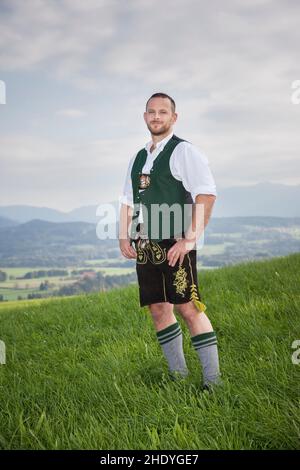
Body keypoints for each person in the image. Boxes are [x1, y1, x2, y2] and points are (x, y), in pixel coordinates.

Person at [119, 92, 221, 390]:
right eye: (151, 111)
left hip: (175, 243)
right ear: (144, 116)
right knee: (158, 308)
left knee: (188, 308)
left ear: (173, 117)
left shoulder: (184, 152)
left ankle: (213, 385)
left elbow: (207, 194)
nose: (156, 116)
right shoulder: (138, 156)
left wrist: (189, 240)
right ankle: (178, 378)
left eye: (163, 112)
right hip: (146, 244)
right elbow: (127, 199)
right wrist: (124, 234)